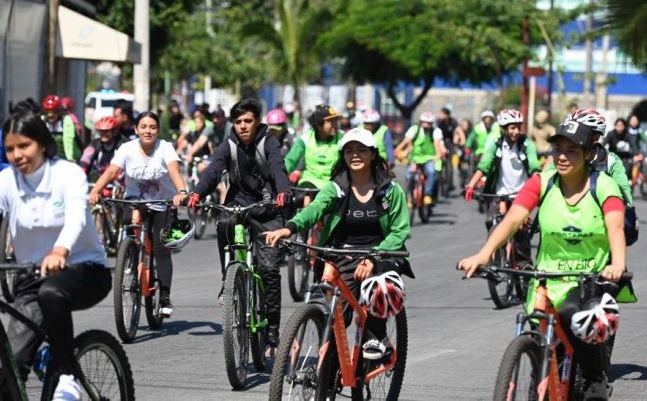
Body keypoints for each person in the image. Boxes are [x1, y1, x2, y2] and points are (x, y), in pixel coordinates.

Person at [458, 115, 629, 400]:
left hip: (588, 280)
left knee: (576, 320)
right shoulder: (543, 182)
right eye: (557, 149)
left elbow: (616, 227)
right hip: (546, 279)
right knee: (540, 340)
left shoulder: (604, 186)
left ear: (588, 154)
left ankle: (594, 377)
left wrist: (618, 264)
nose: (562, 156)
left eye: (571, 150)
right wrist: (483, 254)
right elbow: (513, 218)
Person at [265, 128, 412, 360]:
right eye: (349, 150)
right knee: (334, 317)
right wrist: (289, 228)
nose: (355, 155)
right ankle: (329, 371)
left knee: (382, 288)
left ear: (373, 154)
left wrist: (373, 257)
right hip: (341, 254)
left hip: (381, 256)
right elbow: (314, 210)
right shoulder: (336, 188)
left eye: (361, 150)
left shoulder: (390, 191)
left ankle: (376, 336)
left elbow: (399, 231)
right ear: (343, 155)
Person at [0, 111, 112, 400]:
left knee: (52, 293)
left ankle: (68, 375)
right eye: (10, 149)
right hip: (33, 277)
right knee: (10, 364)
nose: (16, 155)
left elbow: (75, 217)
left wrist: (60, 250)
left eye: (23, 146)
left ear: (41, 143)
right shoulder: (7, 181)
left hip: (85, 270)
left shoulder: (68, 174)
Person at [177, 98, 292, 352]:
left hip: (268, 208)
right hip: (238, 204)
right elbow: (213, 171)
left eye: (248, 121)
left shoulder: (269, 142)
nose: (242, 126)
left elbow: (278, 168)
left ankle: (272, 331)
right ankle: (228, 278)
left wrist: (283, 190)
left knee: (269, 269)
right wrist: (197, 193)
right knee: (224, 224)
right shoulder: (228, 145)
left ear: (257, 122)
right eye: (238, 121)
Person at [89, 111, 189, 317]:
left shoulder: (166, 148)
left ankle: (164, 298)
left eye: (152, 127)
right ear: (136, 130)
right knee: (129, 220)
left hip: (162, 203)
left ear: (158, 130)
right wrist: (96, 190)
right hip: (135, 200)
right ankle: (130, 256)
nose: (148, 131)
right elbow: (111, 172)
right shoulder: (127, 148)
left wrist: (182, 193)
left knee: (161, 248)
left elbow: (174, 172)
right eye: (143, 127)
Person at [464, 109, 540, 265]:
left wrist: (539, 189)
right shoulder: (496, 145)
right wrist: (471, 185)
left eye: (518, 127)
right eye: (512, 128)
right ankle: (496, 257)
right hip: (500, 194)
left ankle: (524, 266)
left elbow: (534, 167)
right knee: (491, 221)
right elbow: (484, 165)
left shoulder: (527, 145)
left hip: (522, 196)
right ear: (504, 129)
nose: (516, 131)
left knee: (521, 232)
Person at [285, 105, 344, 190]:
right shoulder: (305, 139)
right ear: (318, 124)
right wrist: (278, 178)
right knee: (303, 198)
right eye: (331, 122)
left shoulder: (342, 139)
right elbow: (290, 160)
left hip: (333, 184)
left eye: (336, 121)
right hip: (309, 182)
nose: (335, 125)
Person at [394, 111, 447, 207]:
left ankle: (427, 194)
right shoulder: (414, 129)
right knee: (409, 175)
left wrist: (437, 156)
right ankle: (410, 196)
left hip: (429, 158)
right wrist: (396, 151)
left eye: (428, 123)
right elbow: (406, 141)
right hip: (415, 158)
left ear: (431, 124)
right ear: (421, 122)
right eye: (424, 122)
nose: (426, 125)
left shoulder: (436, 131)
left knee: (431, 172)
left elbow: (437, 145)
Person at [41, 95, 82, 162]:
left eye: (53, 111)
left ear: (58, 111)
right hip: (52, 157)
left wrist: (70, 158)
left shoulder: (66, 120)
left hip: (70, 157)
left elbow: (68, 140)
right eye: (48, 112)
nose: (50, 115)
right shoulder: (42, 120)